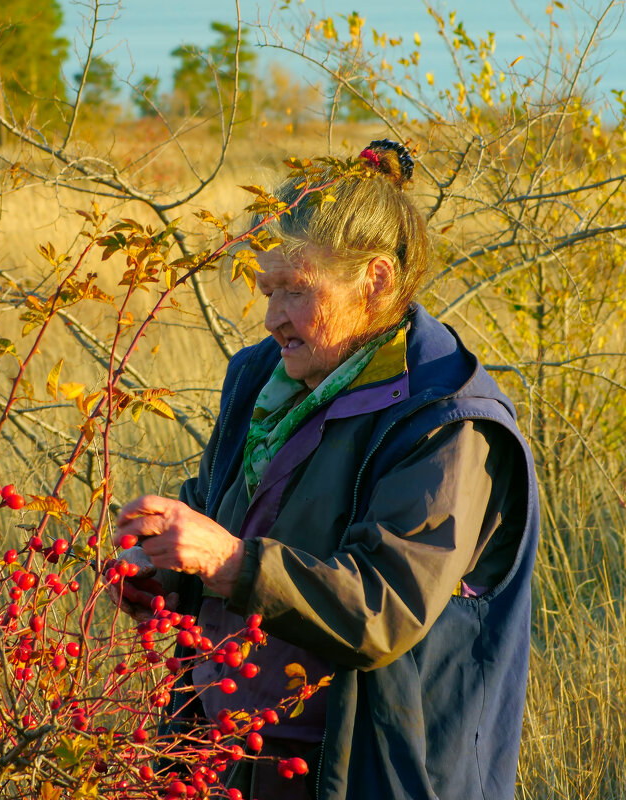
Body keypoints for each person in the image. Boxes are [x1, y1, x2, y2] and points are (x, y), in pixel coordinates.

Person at [110, 140, 539, 800]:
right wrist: (164, 567)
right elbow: (225, 513)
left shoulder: (447, 420)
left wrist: (226, 560)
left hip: (364, 770)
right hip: (228, 755)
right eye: (268, 289)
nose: (273, 316)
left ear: (376, 281)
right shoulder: (265, 379)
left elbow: (384, 607)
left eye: (296, 291)